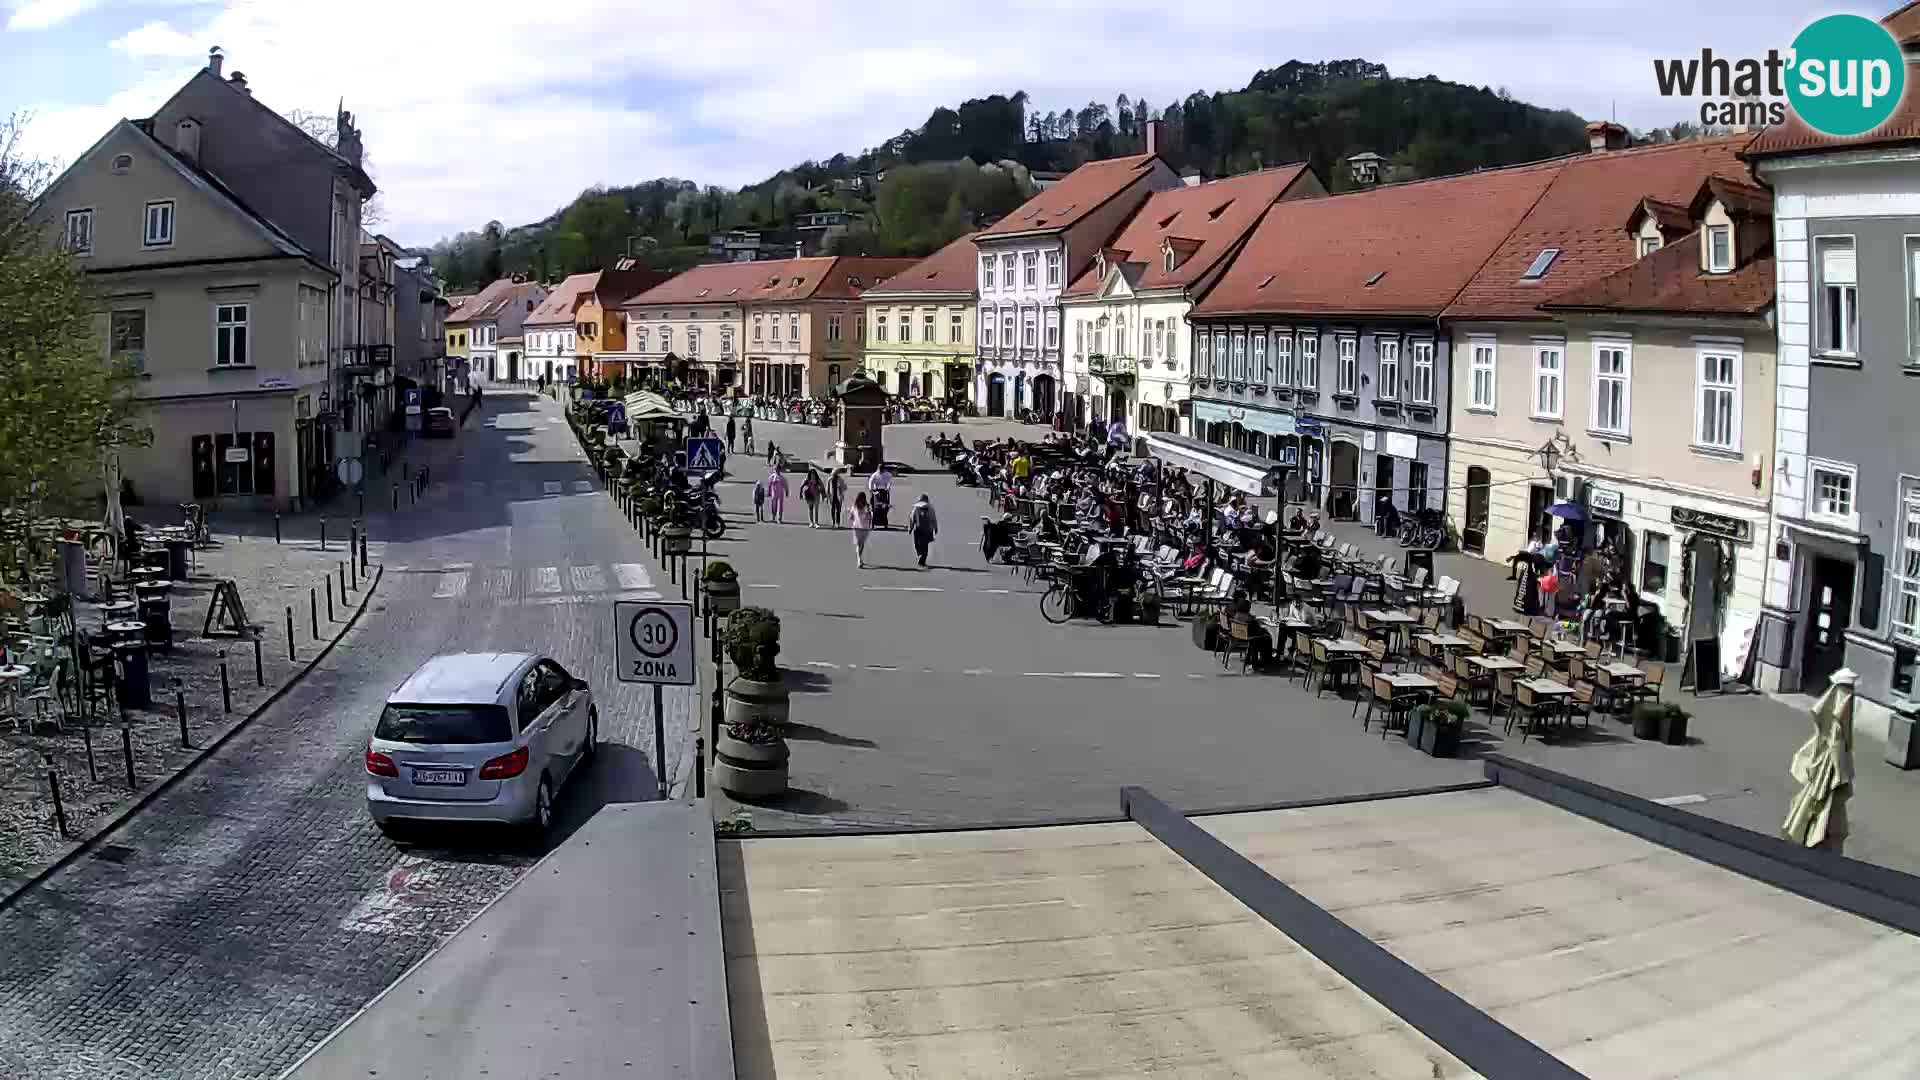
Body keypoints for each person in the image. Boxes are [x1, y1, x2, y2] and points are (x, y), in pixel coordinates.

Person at [908, 493, 939, 567]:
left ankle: (919, 555)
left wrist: (910, 528)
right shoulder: (930, 508)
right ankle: (923, 558)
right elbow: (933, 519)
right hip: (928, 530)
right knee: (925, 545)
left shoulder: (916, 508)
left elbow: (912, 518)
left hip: (918, 529)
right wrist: (935, 528)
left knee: (917, 544)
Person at [850, 490, 874, 568]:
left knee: (862, 544)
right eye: (861, 498)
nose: (862, 500)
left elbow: (870, 516)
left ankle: (860, 558)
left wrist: (870, 523)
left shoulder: (866, 506)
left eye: (863, 498)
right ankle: (859, 559)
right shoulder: (855, 506)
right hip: (857, 527)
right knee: (858, 543)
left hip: (865, 528)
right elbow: (851, 516)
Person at [868, 463, 894, 528]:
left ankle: (884, 522)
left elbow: (890, 482)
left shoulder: (887, 474)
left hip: (884, 492)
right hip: (876, 491)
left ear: (883, 469)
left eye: (881, 469)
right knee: (875, 507)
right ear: (878, 468)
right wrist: (871, 490)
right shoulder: (875, 474)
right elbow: (870, 482)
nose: (880, 470)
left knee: (884, 507)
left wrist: (887, 489)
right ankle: (874, 522)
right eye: (879, 469)